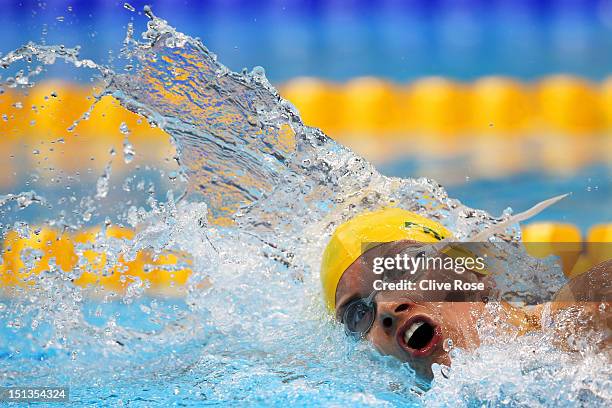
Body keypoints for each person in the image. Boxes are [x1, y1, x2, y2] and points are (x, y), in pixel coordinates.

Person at [320, 208, 610, 379]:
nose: (385, 308)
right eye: (357, 314)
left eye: (403, 267)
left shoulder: (585, 317)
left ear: (474, 272)